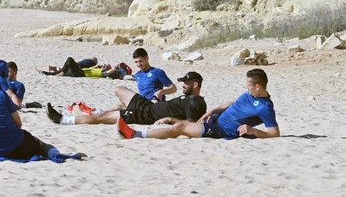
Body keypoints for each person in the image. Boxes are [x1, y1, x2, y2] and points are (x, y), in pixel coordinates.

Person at [118, 69, 278, 140]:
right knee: (182, 122)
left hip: (220, 130)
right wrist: (212, 111)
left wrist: (254, 131)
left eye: (249, 86)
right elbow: (233, 103)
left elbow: (274, 134)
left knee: (180, 128)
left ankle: (135, 135)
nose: (247, 88)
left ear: (258, 86)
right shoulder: (250, 95)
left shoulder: (266, 108)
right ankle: (163, 122)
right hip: (214, 119)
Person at [48, 71, 206, 126]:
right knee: (119, 89)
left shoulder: (195, 102)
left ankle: (63, 120)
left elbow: (191, 125)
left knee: (102, 117)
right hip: (148, 105)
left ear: (196, 84)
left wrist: (170, 119)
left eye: (186, 83)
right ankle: (115, 110)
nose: (184, 85)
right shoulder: (189, 98)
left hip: (146, 115)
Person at [40, 56, 130, 79]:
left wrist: (115, 67)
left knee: (70, 59)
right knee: (67, 69)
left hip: (80, 74)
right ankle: (46, 73)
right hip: (80, 72)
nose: (105, 65)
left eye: (107, 66)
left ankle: (62, 73)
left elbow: (108, 73)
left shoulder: (103, 73)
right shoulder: (99, 69)